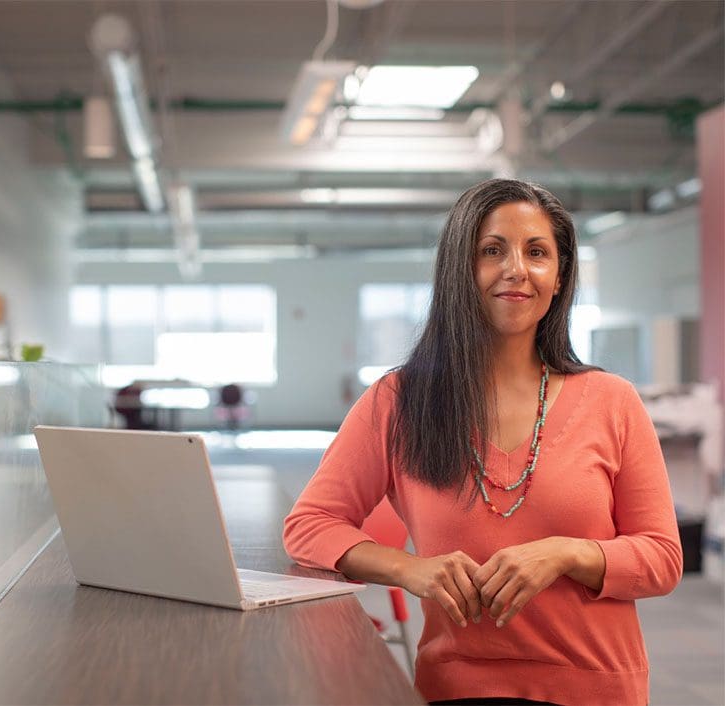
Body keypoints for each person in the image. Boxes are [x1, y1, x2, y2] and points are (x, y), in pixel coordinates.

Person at [283, 179, 682, 706]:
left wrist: (566, 554)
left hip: (595, 687)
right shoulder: (399, 400)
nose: (517, 269)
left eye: (537, 252)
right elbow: (309, 526)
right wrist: (409, 568)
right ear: (461, 271)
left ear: (559, 277)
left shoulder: (612, 401)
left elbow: (662, 558)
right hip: (457, 687)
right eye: (492, 250)